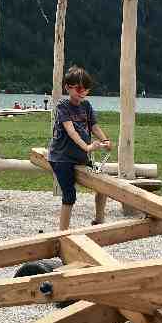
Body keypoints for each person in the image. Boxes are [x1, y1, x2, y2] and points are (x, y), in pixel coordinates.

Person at [48, 66, 112, 230]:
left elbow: (94, 126)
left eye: (86, 89)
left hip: (80, 157)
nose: (82, 92)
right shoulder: (63, 106)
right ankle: (62, 233)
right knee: (69, 195)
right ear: (67, 87)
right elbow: (71, 132)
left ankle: (99, 219)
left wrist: (105, 140)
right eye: (79, 89)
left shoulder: (87, 106)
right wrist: (88, 147)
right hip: (62, 158)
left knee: (103, 183)